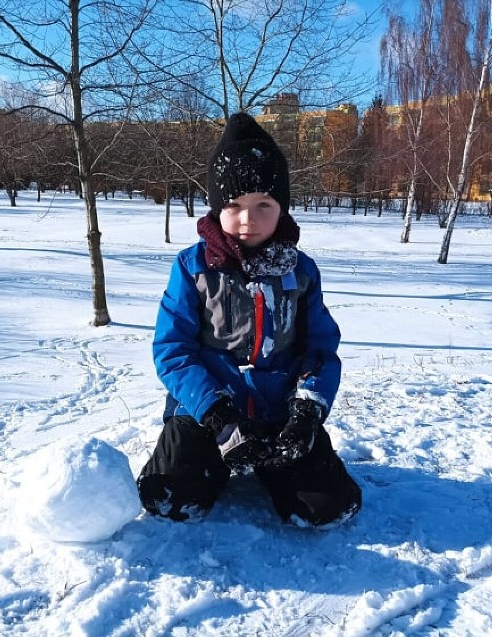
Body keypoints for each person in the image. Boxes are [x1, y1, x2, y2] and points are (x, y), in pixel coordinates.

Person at [136, 112, 361, 527]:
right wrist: (217, 415)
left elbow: (320, 351)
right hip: (207, 413)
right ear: (217, 207)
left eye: (263, 204)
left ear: (282, 208)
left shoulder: (302, 272)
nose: (247, 219)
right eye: (234, 205)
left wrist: (306, 413)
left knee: (328, 509)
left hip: (279, 415)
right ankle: (215, 463)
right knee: (168, 498)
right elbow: (174, 350)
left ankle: (275, 466)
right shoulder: (192, 268)